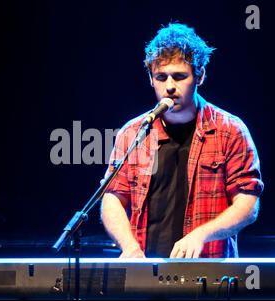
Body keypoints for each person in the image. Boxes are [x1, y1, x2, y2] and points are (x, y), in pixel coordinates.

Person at [100, 22, 264, 258]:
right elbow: (113, 198)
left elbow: (248, 204)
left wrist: (202, 234)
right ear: (150, 79)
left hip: (208, 276)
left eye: (179, 77)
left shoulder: (230, 130)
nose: (169, 87)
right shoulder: (133, 133)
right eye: (161, 77)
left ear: (200, 76)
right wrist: (129, 247)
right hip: (145, 274)